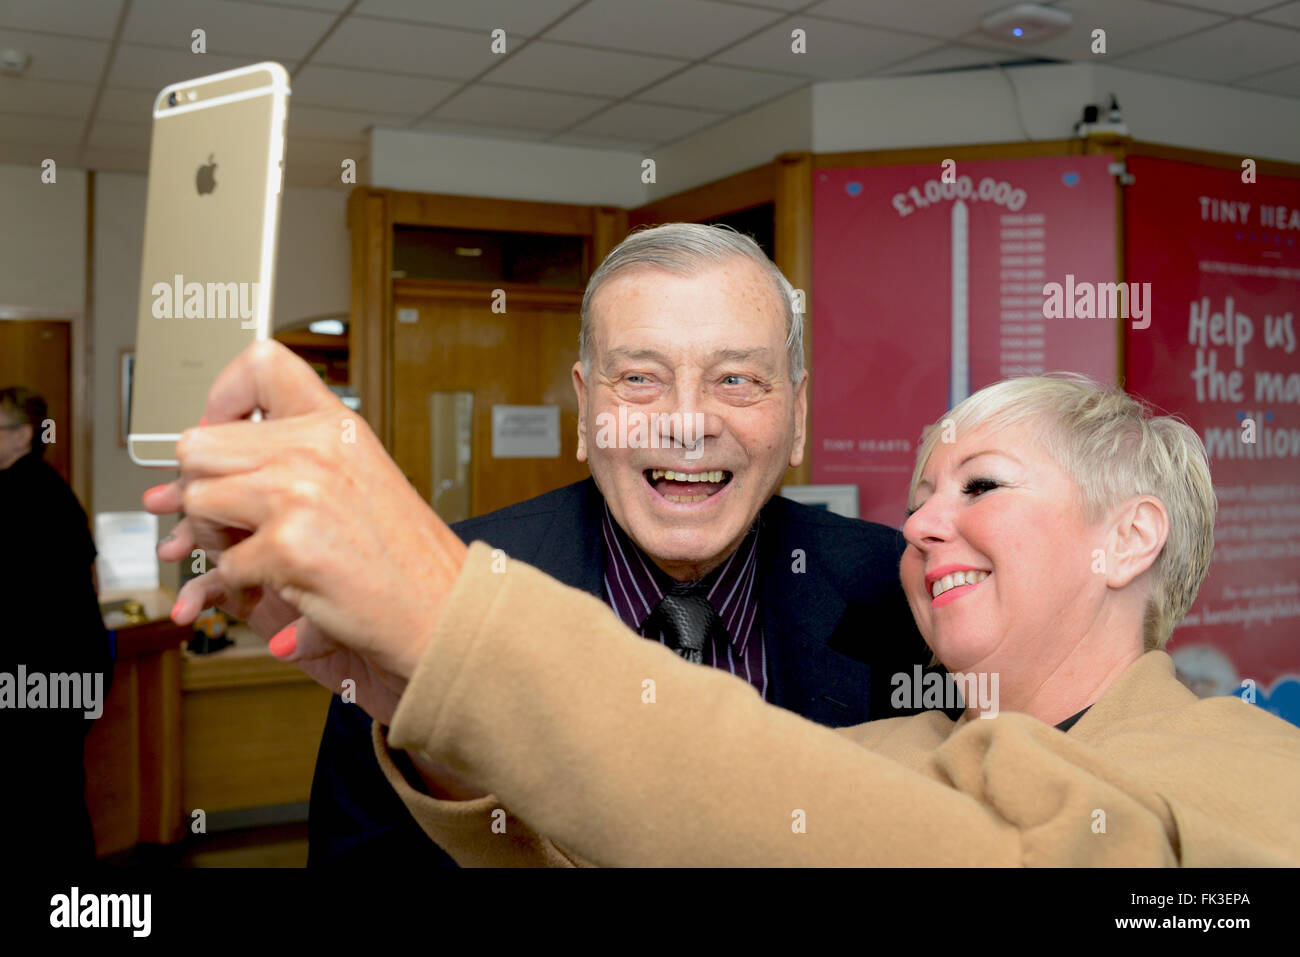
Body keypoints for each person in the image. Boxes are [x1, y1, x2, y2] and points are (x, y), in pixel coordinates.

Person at [149, 357, 1300, 865]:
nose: (921, 528)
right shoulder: (880, 749)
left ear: (1129, 536)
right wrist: (424, 706)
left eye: (981, 487)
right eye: (918, 496)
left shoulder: (1252, 767)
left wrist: (460, 615)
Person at [193, 224, 939, 867]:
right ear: (585, 409)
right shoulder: (437, 592)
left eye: (737, 379)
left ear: (798, 415)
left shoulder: (894, 586)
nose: (686, 423)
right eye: (641, 378)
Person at [0, 386, 112, 866]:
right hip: (74, 670)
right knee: (59, 795)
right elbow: (92, 581)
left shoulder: (8, 495)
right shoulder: (56, 489)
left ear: (23, 435)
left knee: (31, 806)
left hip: (33, 675)